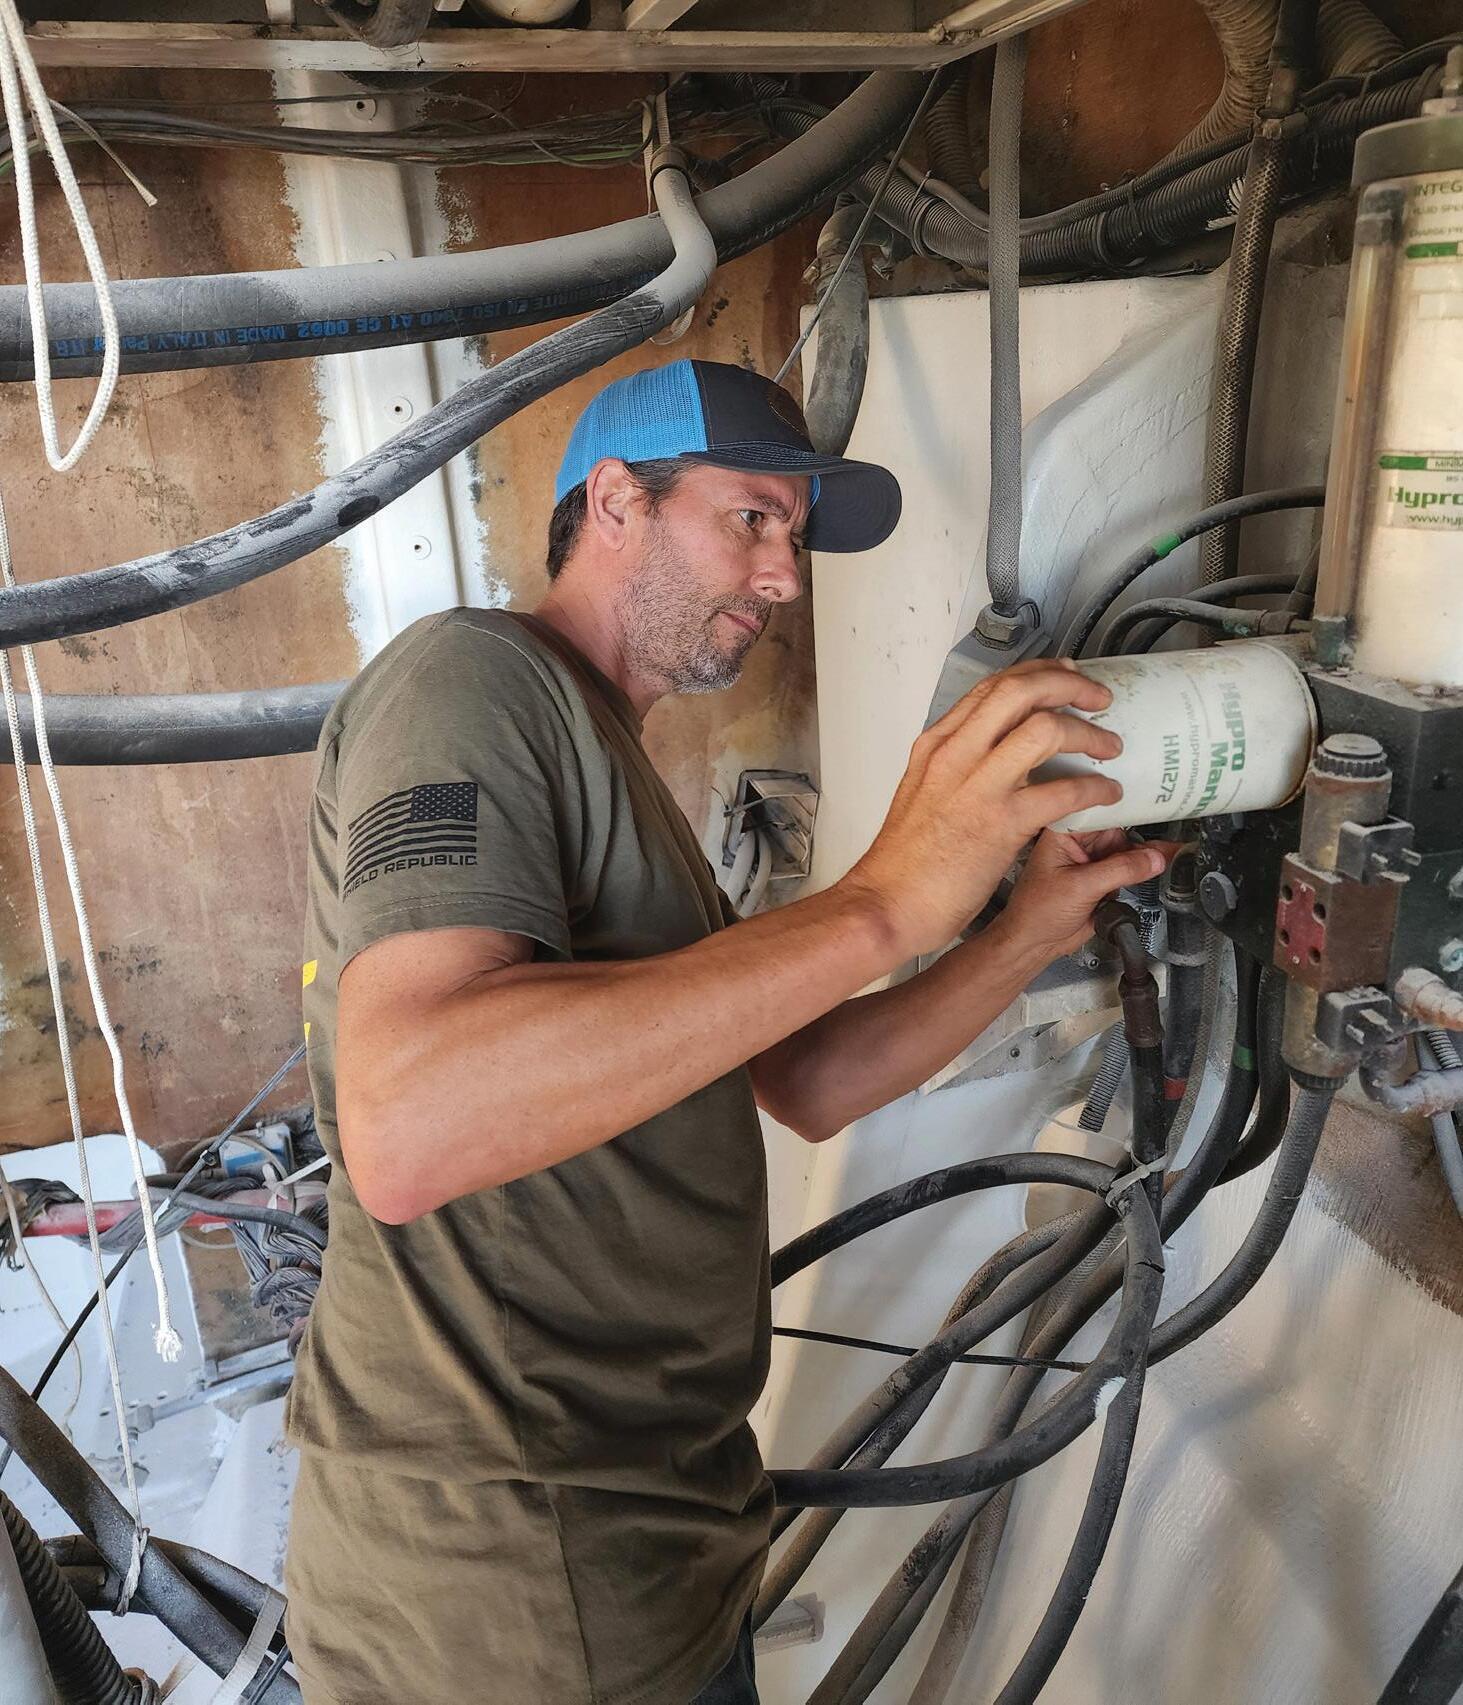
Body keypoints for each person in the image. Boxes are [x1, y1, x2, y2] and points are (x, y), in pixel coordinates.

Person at [283, 357, 1165, 1705]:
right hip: (508, 1585)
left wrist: (1021, 937)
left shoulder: (614, 757)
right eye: (750, 518)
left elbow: (804, 1078)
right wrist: (880, 902)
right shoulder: (470, 679)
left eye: (793, 537)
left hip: (655, 1539)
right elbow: (410, 1120)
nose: (783, 577)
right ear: (615, 502)